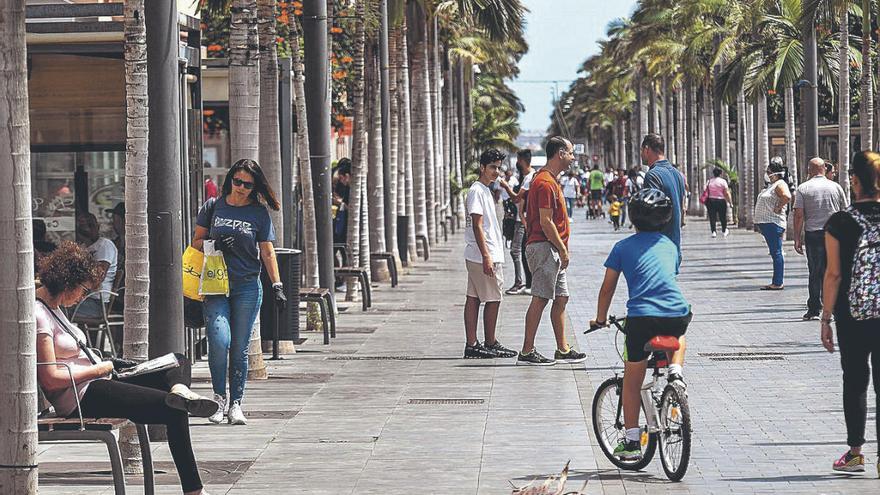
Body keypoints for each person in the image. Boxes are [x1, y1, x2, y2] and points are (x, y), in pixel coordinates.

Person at [35, 242, 217, 495]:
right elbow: (52, 379)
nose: (80, 297)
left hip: (99, 380)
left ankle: (179, 389)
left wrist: (106, 367)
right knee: (174, 410)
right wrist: (99, 370)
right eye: (82, 290)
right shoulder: (39, 315)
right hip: (81, 396)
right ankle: (194, 491)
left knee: (178, 360)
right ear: (68, 282)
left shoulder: (55, 310)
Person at [590, 188, 692, 461]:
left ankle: (633, 441)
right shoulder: (671, 246)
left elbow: (607, 289)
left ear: (633, 218)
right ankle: (676, 372)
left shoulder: (622, 248)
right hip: (676, 312)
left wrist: (601, 319)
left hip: (641, 318)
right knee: (678, 333)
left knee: (632, 381)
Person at [191, 159, 287, 425]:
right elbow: (195, 242)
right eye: (238, 181)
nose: (242, 188)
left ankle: (236, 403)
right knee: (219, 342)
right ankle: (218, 399)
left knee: (239, 348)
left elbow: (267, 252)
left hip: (247, 285)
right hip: (215, 284)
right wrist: (215, 241)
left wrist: (277, 285)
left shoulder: (259, 213)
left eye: (248, 184)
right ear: (230, 179)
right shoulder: (213, 207)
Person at [820, 150, 880, 474]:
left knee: (855, 381)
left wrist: (825, 318)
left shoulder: (840, 222)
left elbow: (833, 274)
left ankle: (855, 453)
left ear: (853, 181)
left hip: (852, 315)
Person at [518, 136, 587, 366]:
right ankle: (527, 351)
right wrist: (562, 250)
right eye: (570, 153)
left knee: (562, 297)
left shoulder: (550, 180)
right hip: (545, 247)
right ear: (560, 154)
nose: (573, 157)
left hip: (552, 249)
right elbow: (546, 222)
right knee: (540, 298)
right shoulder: (545, 182)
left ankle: (562, 348)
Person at [463, 149, 518, 359]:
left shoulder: (486, 189)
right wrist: (487, 256)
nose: (496, 171)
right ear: (482, 167)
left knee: (474, 298)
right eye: (492, 167)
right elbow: (477, 225)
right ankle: (489, 341)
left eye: (498, 167)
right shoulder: (477, 190)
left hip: (480, 254)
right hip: (483, 254)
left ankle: (473, 344)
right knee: (494, 298)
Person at [793, 157, 848, 320]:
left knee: (815, 272)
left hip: (814, 234)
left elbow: (798, 214)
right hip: (834, 234)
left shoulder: (803, 188)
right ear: (825, 168)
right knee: (832, 271)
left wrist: (797, 237)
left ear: (809, 170)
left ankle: (814, 309)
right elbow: (844, 212)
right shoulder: (836, 187)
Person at [642, 134, 686, 269]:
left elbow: (652, 212)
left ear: (647, 149)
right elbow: (682, 209)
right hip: (674, 246)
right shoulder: (677, 173)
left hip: (658, 246)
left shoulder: (653, 175)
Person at [499, 149, 534, 295]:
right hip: (521, 218)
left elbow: (516, 199)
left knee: (515, 250)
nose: (517, 163)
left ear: (523, 161)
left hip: (523, 220)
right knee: (523, 252)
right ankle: (527, 282)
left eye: (518, 160)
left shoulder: (529, 178)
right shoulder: (525, 177)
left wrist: (505, 186)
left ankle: (520, 282)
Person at [753, 159, 792, 290]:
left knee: (776, 252)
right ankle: (776, 280)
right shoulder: (772, 185)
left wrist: (778, 207)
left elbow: (786, 196)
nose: (766, 174)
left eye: (768, 172)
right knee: (775, 252)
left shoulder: (780, 184)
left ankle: (777, 282)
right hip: (768, 223)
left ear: (774, 174)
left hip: (773, 223)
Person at [72, 212, 118, 319]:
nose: (88, 229)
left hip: (96, 303)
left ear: (97, 227)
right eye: (83, 226)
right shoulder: (84, 248)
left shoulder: (104, 245)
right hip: (84, 299)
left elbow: (97, 277)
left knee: (56, 307)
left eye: (91, 225)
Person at [703, 167, 733, 238]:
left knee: (712, 217)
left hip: (711, 200)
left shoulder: (709, 181)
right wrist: (730, 202)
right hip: (721, 201)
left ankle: (713, 231)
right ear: (720, 174)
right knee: (722, 216)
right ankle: (724, 230)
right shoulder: (723, 182)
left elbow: (705, 190)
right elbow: (726, 193)